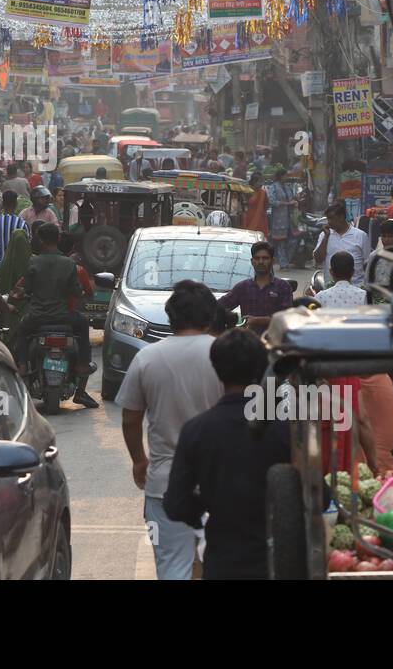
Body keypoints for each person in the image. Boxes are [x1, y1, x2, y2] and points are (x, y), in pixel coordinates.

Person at [163, 328, 292, 579]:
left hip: (222, 563)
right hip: (274, 563)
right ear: (259, 369)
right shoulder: (282, 430)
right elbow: (318, 497)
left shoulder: (196, 430)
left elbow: (175, 504)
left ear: (217, 369)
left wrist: (209, 503)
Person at [118, 281, 224, 579]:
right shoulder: (222, 354)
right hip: (219, 480)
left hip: (164, 483)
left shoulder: (147, 358)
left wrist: (139, 459)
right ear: (209, 316)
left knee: (172, 566)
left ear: (171, 317)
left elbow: (130, 418)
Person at [8, 223, 96, 407]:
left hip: (37, 317)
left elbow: (27, 289)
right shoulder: (70, 264)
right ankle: (82, 364)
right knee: (83, 326)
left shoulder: (34, 262)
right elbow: (76, 291)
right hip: (63, 317)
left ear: (40, 240)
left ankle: (23, 364)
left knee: (22, 331)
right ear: (58, 239)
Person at [218, 241, 294, 334]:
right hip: (248, 343)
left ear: (272, 261)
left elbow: (286, 317)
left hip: (275, 342)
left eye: (265, 258)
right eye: (257, 258)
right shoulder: (242, 287)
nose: (261, 262)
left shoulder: (283, 287)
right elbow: (219, 306)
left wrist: (257, 320)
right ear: (252, 261)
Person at [312, 202, 370, 286]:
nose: (329, 222)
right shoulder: (324, 235)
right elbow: (318, 259)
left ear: (341, 217)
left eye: (331, 218)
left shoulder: (361, 236)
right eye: (328, 219)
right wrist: (326, 237)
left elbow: (367, 264)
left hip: (356, 287)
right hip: (330, 288)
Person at [0, 190, 29, 268]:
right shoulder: (22, 224)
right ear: (16, 204)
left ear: (2, 204)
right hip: (16, 268)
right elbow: (26, 249)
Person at [265, 168, 296, 265]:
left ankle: (286, 261)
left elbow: (292, 197)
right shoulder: (273, 187)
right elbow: (272, 201)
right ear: (280, 176)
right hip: (279, 219)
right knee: (280, 242)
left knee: (292, 241)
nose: (286, 177)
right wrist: (286, 203)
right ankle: (283, 263)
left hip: (290, 219)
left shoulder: (287, 187)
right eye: (285, 175)